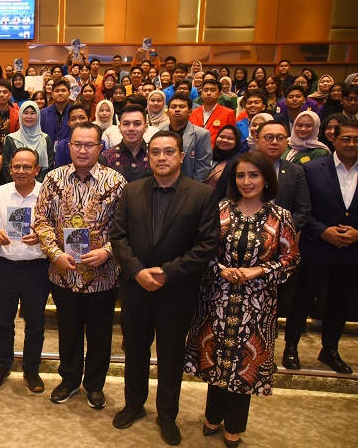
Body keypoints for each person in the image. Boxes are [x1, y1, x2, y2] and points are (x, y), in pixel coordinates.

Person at [109, 130, 220, 446]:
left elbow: (207, 244)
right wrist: (138, 271)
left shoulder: (201, 194)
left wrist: (167, 273)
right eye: (155, 151)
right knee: (135, 352)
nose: (161, 157)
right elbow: (118, 238)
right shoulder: (131, 191)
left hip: (176, 292)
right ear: (148, 156)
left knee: (170, 357)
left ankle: (167, 415)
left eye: (168, 151)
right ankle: (134, 405)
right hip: (135, 290)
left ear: (181, 156)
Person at [185, 151, 299, 447]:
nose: (247, 182)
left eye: (254, 175)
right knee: (216, 359)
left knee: (244, 363)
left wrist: (258, 270)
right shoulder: (219, 209)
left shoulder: (280, 216)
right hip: (217, 299)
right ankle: (212, 416)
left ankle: (234, 426)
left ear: (266, 179)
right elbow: (200, 249)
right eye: (240, 176)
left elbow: (291, 258)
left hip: (257, 303)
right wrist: (220, 270)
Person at [33, 121, 126, 408]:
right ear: (68, 146)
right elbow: (41, 220)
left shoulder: (116, 181)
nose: (83, 150)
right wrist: (54, 252)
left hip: (102, 275)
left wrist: (109, 252)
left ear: (100, 148)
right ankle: (70, 379)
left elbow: (125, 227)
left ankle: (95, 385)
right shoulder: (54, 179)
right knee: (69, 330)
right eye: (77, 144)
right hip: (65, 273)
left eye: (89, 145)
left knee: (100, 334)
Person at [282, 120, 358, 375]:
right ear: (334, 140)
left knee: (340, 302)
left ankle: (330, 350)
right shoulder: (313, 169)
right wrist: (322, 230)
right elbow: (303, 207)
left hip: (351, 250)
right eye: (345, 138)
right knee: (303, 299)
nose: (351, 143)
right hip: (317, 246)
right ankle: (291, 347)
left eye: (356, 139)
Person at [0, 147, 50, 392]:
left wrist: (43, 237)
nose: (21, 171)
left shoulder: (47, 193)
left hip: (37, 268)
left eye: (27, 167)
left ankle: (32, 370)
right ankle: (2, 365)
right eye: (16, 167)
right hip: (5, 268)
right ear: (9, 169)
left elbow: (57, 225)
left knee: (35, 323)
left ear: (37, 169)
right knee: (3, 322)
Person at [161, 93, 213, 182]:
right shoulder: (159, 132)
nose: (177, 110)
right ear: (167, 112)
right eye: (173, 107)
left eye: (182, 107)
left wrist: (191, 189)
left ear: (190, 111)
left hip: (190, 186)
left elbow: (203, 168)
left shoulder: (201, 134)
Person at [1, 101, 53, 183]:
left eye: (32, 113)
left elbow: (49, 167)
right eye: (25, 113)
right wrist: (19, 183)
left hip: (39, 187)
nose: (29, 116)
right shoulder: (11, 139)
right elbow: (6, 166)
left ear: (38, 116)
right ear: (20, 115)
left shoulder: (45, 139)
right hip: (15, 185)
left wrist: (34, 184)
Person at [99, 104, 152, 182]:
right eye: (126, 124)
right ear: (119, 128)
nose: (131, 128)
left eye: (137, 124)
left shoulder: (154, 155)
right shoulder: (106, 157)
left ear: (146, 127)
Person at [190, 79, 236, 148]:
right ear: (201, 93)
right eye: (205, 90)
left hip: (217, 154)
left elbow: (231, 138)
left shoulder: (228, 113)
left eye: (212, 90)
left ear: (219, 94)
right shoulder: (193, 113)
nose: (208, 93)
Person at [205, 126, 243, 200]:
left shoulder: (238, 163)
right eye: (221, 136)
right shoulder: (207, 155)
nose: (224, 140)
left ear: (237, 142)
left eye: (230, 138)